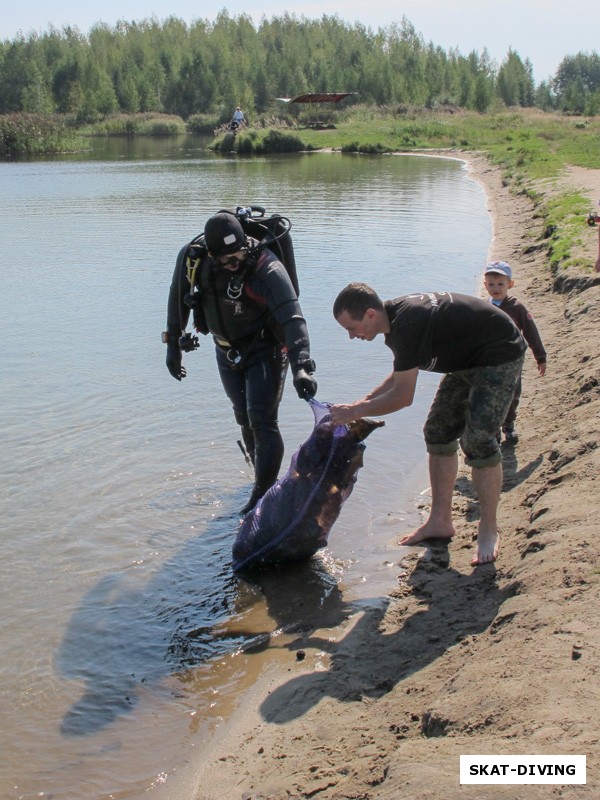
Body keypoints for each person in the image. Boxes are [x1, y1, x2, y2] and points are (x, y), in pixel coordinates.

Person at [329, 283, 527, 566]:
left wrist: (355, 411)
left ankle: (488, 528)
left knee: (478, 440)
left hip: (499, 354)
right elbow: (401, 374)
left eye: (352, 327)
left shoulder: (408, 322)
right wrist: (362, 403)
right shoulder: (393, 322)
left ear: (370, 314)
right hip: (468, 358)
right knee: (437, 432)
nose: (351, 336)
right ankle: (439, 521)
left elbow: (403, 396)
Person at [164, 210, 317, 514]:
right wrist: (173, 347)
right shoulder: (193, 260)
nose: (235, 264)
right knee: (243, 417)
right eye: (227, 261)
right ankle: (262, 482)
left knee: (262, 420)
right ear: (211, 254)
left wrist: (302, 364)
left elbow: (293, 318)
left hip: (265, 349)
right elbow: (176, 296)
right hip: (225, 350)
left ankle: (260, 501)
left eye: (238, 256)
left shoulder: (266, 268)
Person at [483, 260, 546, 444]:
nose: (496, 288)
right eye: (491, 284)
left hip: (513, 360)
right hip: (489, 361)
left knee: (512, 394)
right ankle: (493, 430)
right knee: (490, 395)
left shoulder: (516, 307)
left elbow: (531, 331)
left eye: (501, 284)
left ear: (510, 284)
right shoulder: (483, 307)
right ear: (485, 285)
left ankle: (508, 424)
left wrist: (540, 357)